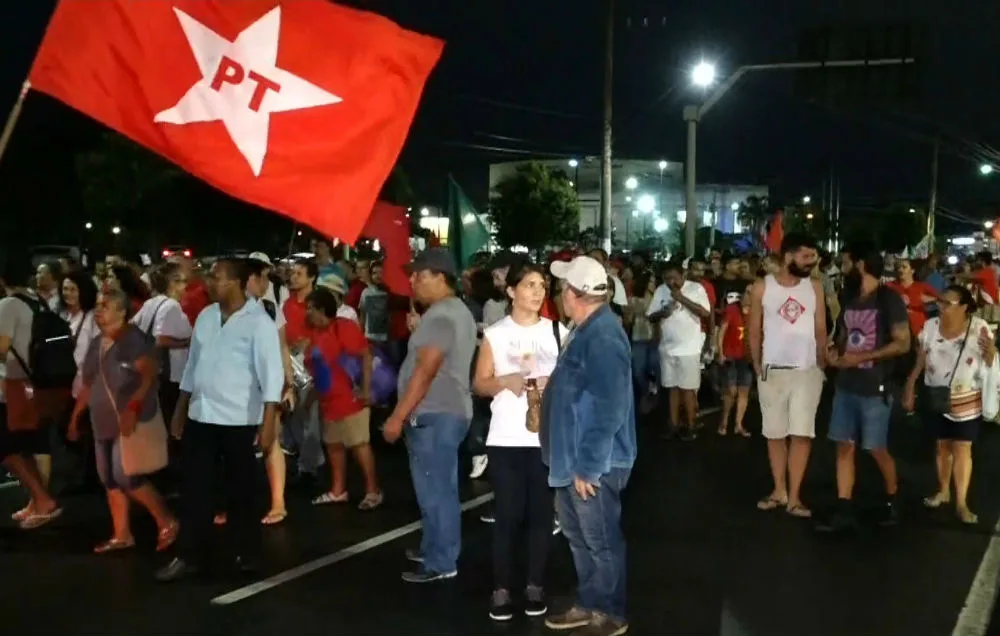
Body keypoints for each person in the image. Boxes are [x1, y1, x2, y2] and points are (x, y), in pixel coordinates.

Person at [156, 257, 283, 582]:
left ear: (240, 283)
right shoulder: (206, 317)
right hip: (202, 415)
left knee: (242, 491)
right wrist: (181, 408)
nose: (210, 283)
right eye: (210, 277)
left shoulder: (260, 323)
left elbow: (272, 376)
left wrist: (268, 422)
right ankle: (189, 555)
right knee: (195, 489)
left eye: (218, 278)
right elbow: (192, 366)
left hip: (239, 419)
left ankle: (247, 553)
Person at [542, 255, 635, 636]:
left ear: (574, 294)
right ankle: (590, 602)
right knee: (579, 539)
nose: (560, 294)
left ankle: (610, 612)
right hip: (573, 459)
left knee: (599, 541)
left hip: (592, 463)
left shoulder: (604, 335)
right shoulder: (586, 329)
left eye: (563, 287)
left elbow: (610, 406)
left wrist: (589, 466)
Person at [473, 262, 568, 621]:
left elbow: (572, 381)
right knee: (509, 514)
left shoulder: (557, 331)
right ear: (511, 291)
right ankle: (501, 588)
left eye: (542, 285)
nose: (538, 291)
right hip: (506, 437)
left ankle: (534, 584)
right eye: (529, 285)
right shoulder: (496, 334)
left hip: (545, 438)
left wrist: (551, 385)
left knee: (542, 516)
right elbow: (479, 383)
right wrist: (505, 381)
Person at [382, 248, 477, 583]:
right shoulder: (449, 313)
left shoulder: (441, 317)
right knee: (434, 488)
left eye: (420, 275)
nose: (413, 281)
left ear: (440, 277)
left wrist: (397, 416)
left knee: (436, 491)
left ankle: (441, 561)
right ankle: (434, 547)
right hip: (444, 413)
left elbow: (425, 372)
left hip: (436, 414)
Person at [68, 289, 179, 553]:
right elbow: (89, 384)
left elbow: (149, 374)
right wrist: (75, 417)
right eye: (97, 306)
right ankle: (122, 534)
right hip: (102, 421)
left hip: (129, 420)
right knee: (108, 478)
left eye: (105, 306)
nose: (99, 311)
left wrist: (133, 407)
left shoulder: (133, 340)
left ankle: (166, 520)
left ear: (122, 311)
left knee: (126, 475)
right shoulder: (97, 343)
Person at [818, 246, 909, 532]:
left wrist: (862, 358)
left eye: (844, 263)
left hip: (875, 386)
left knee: (875, 447)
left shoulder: (888, 299)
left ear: (860, 265)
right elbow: (845, 336)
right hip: (846, 384)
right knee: (843, 445)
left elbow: (902, 343)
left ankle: (893, 497)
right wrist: (836, 352)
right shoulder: (851, 300)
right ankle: (844, 507)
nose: (840, 269)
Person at [903, 285, 997, 524]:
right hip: (936, 396)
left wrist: (991, 353)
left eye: (947, 303)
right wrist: (911, 384)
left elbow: (989, 360)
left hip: (967, 399)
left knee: (962, 449)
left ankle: (961, 502)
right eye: (940, 302)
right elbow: (921, 358)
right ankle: (943, 491)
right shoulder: (930, 327)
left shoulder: (979, 328)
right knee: (942, 447)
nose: (941, 307)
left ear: (964, 307)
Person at [749, 233, 827, 519]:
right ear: (789, 256)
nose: (812, 262)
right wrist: (757, 364)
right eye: (806, 256)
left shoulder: (815, 287)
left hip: (806, 372)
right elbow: (754, 328)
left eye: (813, 257)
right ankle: (779, 490)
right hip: (772, 371)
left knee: (802, 434)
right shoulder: (762, 287)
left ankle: (795, 497)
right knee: (775, 434)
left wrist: (822, 362)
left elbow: (820, 328)